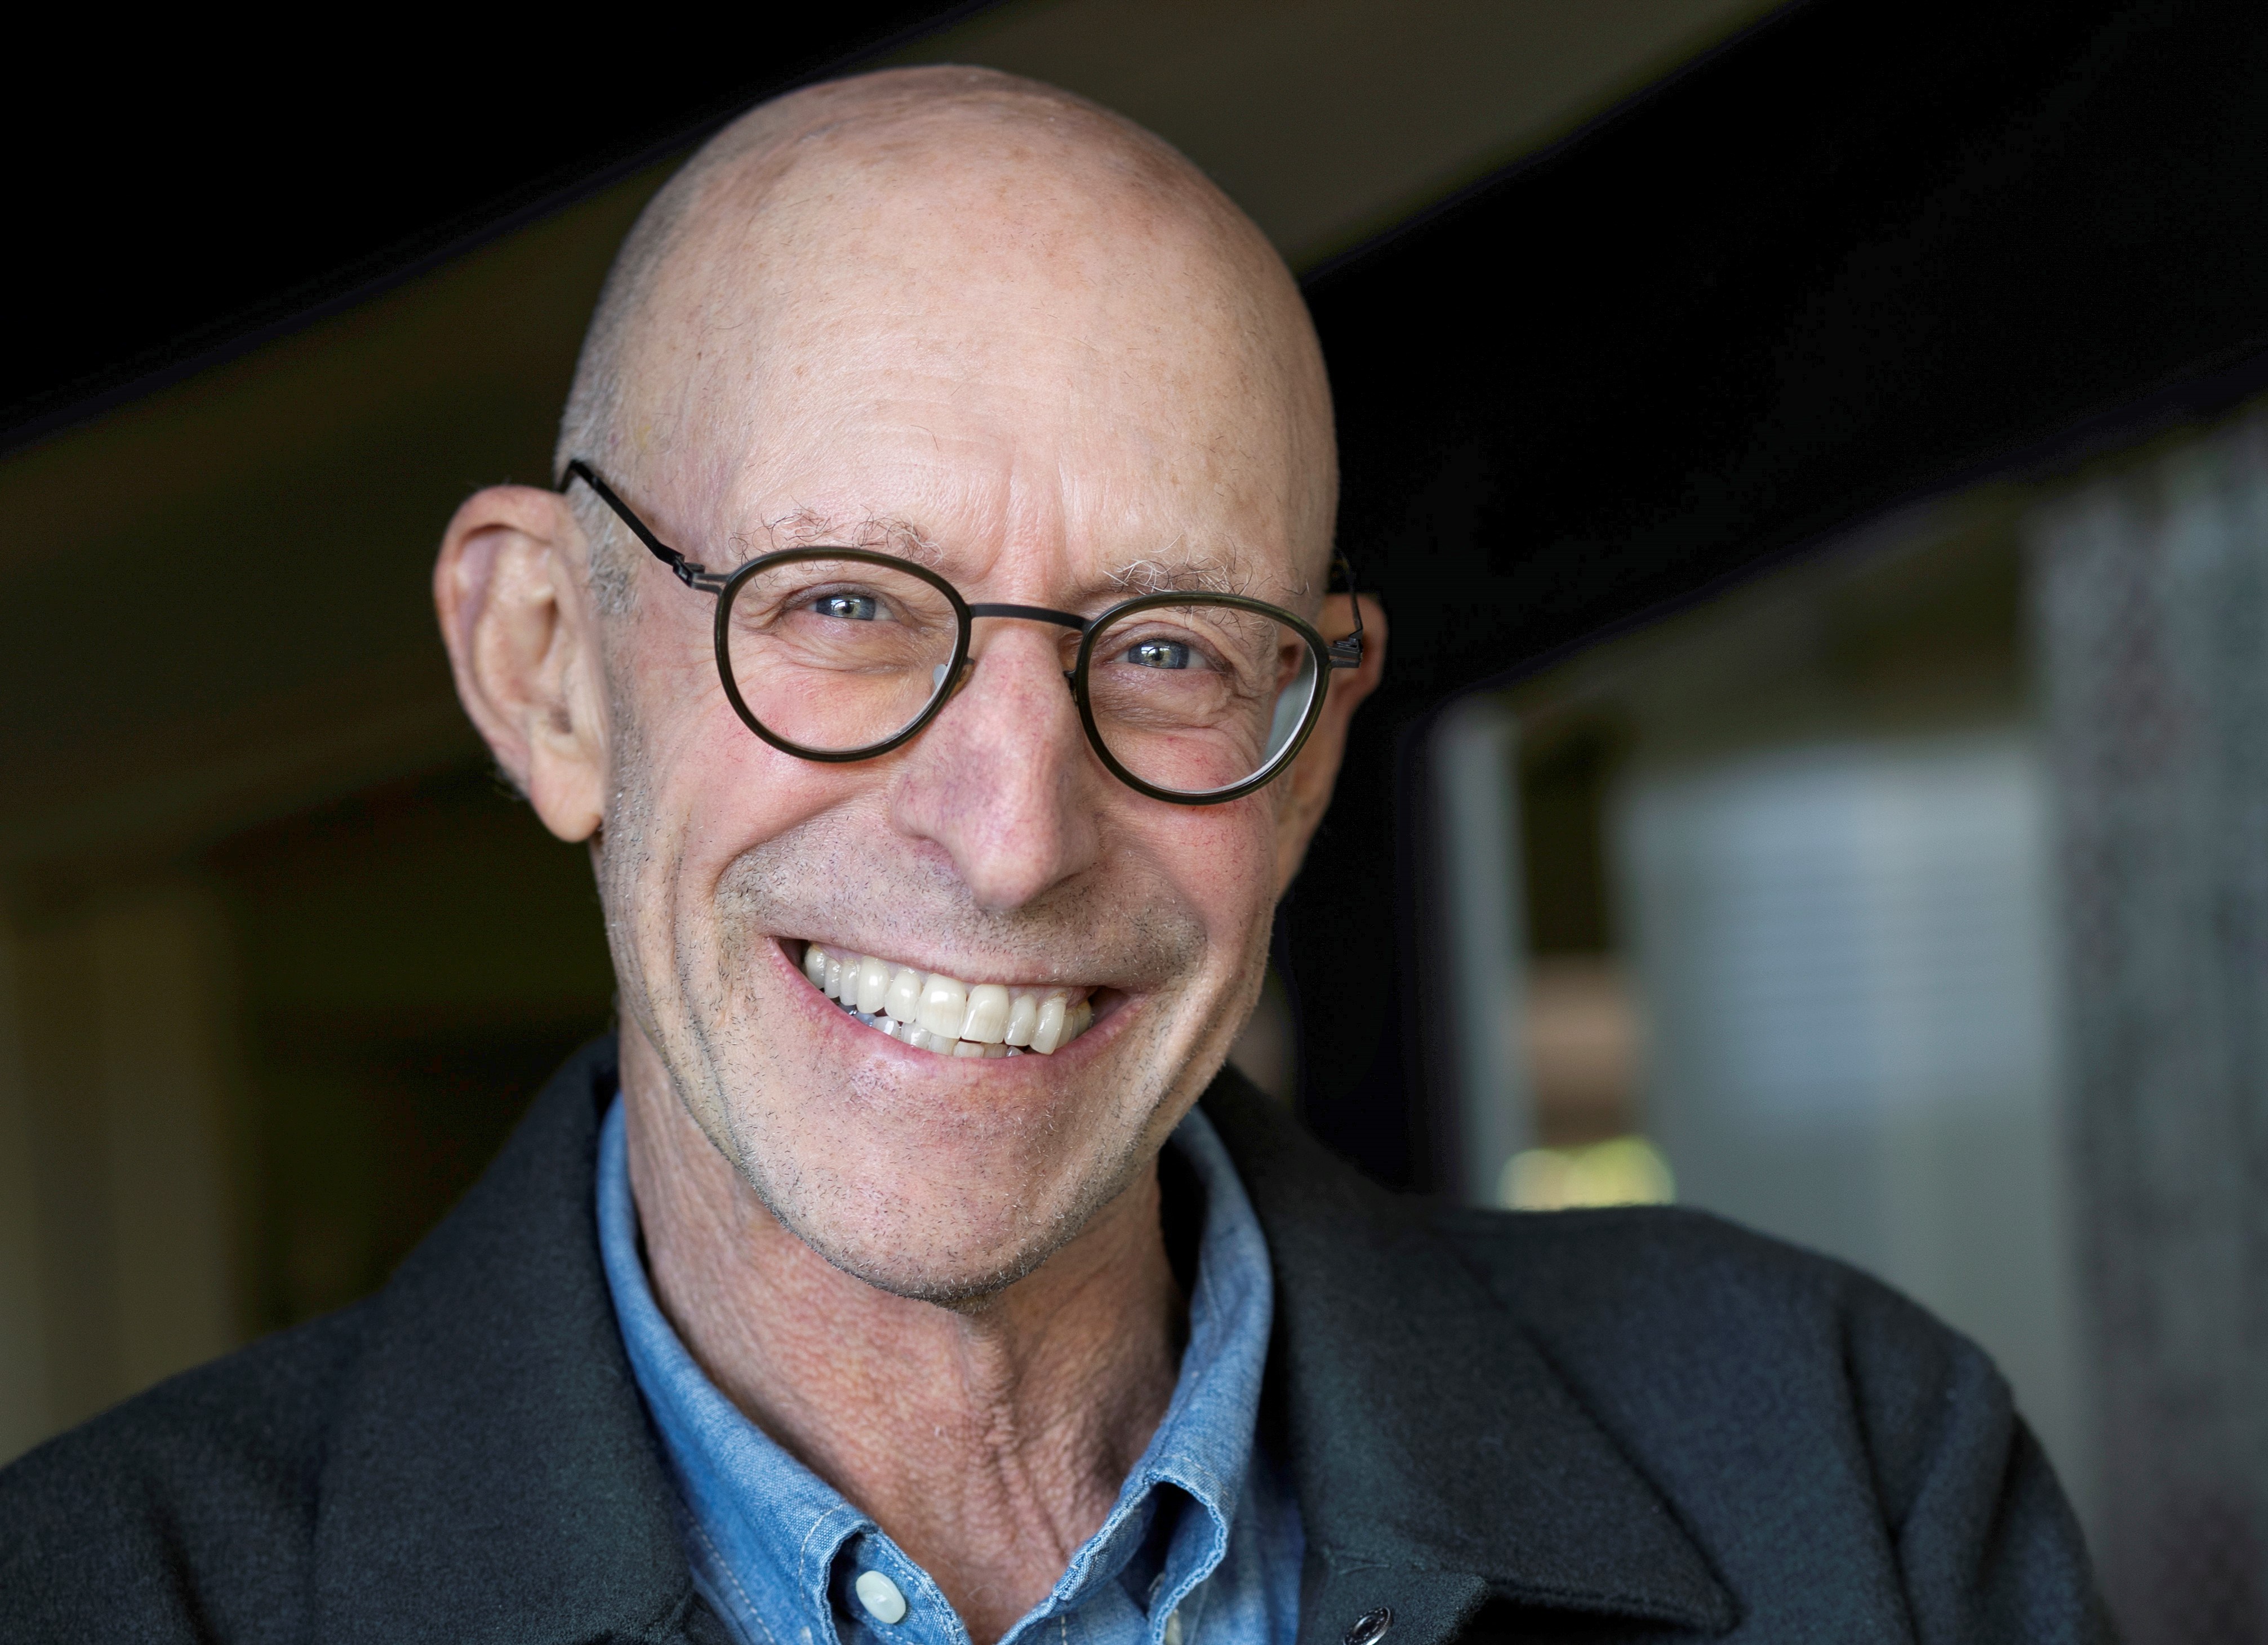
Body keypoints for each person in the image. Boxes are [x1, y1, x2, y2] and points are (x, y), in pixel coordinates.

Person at [0, 67, 2109, 1643]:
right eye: (840, 605)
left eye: (1173, 649)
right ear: (549, 669)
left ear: (1305, 757)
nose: (1011, 834)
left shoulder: (1842, 1476)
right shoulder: (97, 1599)